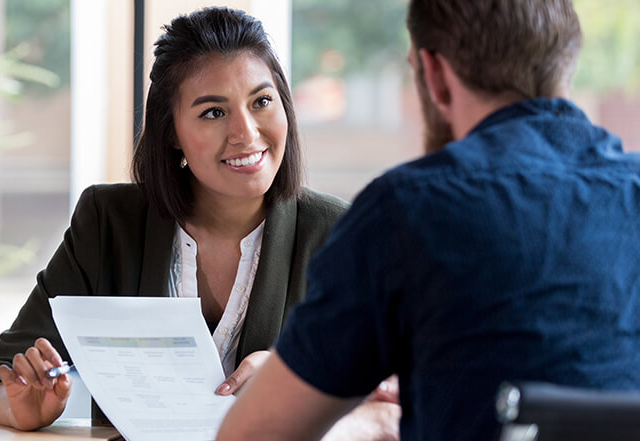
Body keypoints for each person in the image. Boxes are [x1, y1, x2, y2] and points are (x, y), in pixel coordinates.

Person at [0, 6, 400, 438]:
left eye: (262, 102)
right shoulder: (108, 223)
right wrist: (21, 409)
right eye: (213, 112)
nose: (247, 133)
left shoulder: (338, 233)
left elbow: (397, 392)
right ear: (170, 131)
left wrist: (297, 379)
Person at [217, 0, 640, 440]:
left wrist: (363, 417)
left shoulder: (407, 210)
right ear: (569, 56)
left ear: (434, 74)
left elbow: (251, 435)